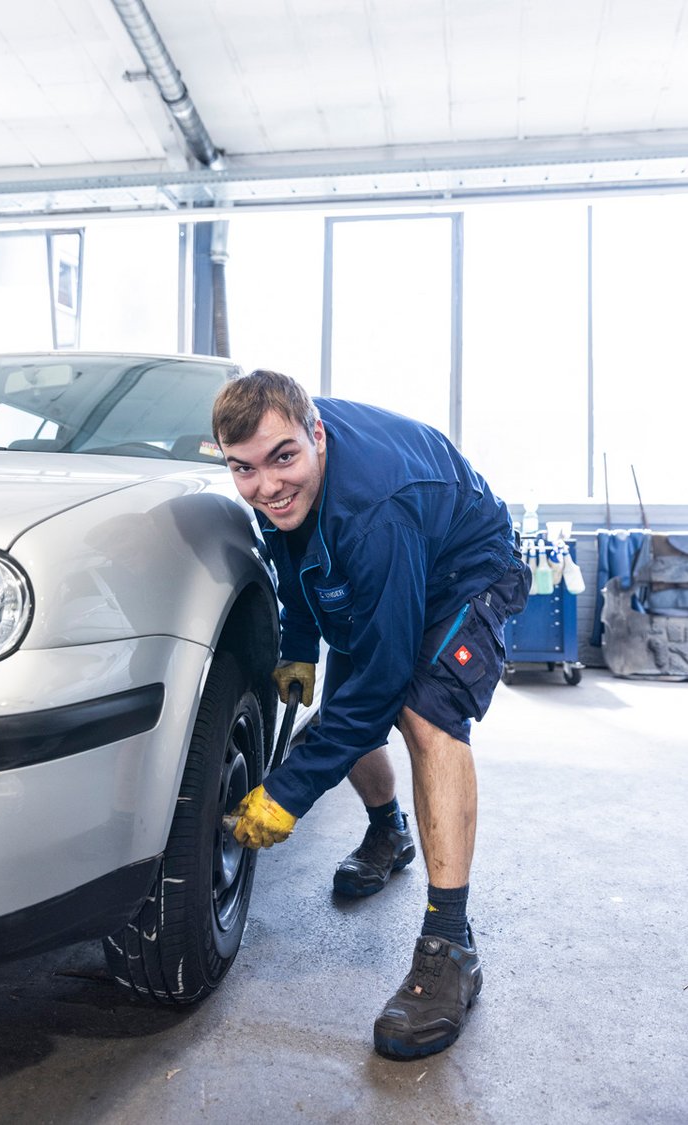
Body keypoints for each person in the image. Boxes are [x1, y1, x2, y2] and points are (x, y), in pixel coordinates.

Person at [212, 370, 530, 1060]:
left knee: (420, 714)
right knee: (339, 714)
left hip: (466, 567)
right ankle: (391, 835)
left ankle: (451, 946)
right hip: (396, 568)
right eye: (244, 468)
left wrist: (288, 791)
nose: (266, 485)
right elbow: (295, 554)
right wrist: (301, 648)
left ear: (316, 434)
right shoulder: (289, 486)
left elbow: (384, 680)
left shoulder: (372, 508)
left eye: (283, 458)